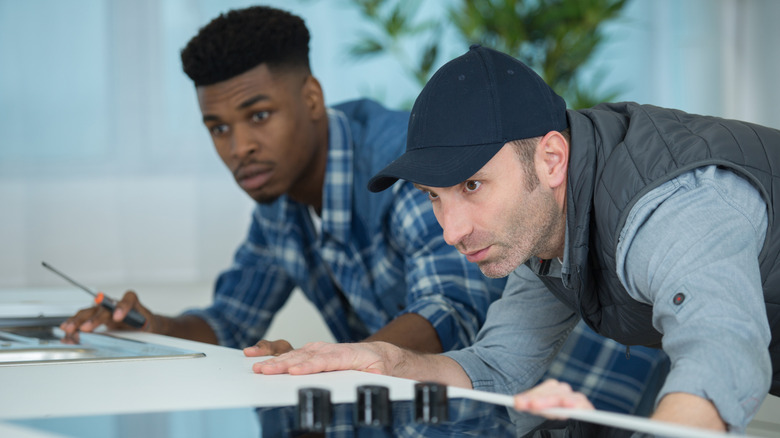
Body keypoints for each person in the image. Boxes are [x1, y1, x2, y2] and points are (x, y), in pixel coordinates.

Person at [58, 8, 666, 416]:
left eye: (258, 116)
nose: (239, 146)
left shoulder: (403, 167)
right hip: (480, 403)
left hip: (589, 395)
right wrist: (153, 328)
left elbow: (450, 308)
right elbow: (231, 320)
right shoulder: (279, 197)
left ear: (311, 98)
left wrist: (345, 361)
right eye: (218, 127)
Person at [254, 45, 780, 434]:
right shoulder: (547, 224)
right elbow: (500, 366)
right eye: (434, 196)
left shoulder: (672, 206)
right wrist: (393, 362)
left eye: (472, 185)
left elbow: (722, 355)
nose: (452, 231)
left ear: (551, 159)